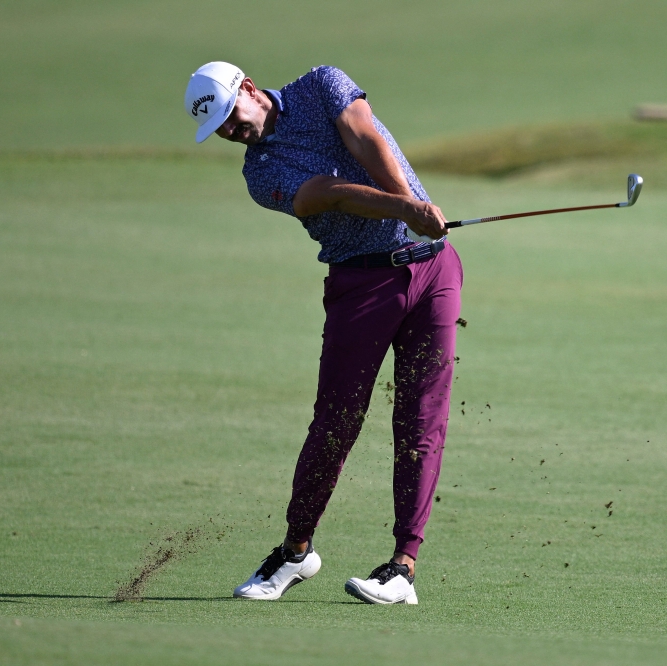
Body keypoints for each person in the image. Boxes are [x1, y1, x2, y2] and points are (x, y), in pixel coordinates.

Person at [183, 62, 462, 605]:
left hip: (435, 272)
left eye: (229, 116)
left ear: (246, 87)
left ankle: (403, 567)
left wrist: (413, 211)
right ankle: (295, 552)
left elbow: (364, 136)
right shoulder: (259, 175)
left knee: (422, 419)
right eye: (218, 130)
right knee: (336, 422)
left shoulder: (321, 84)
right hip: (361, 283)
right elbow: (330, 194)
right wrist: (407, 207)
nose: (230, 132)